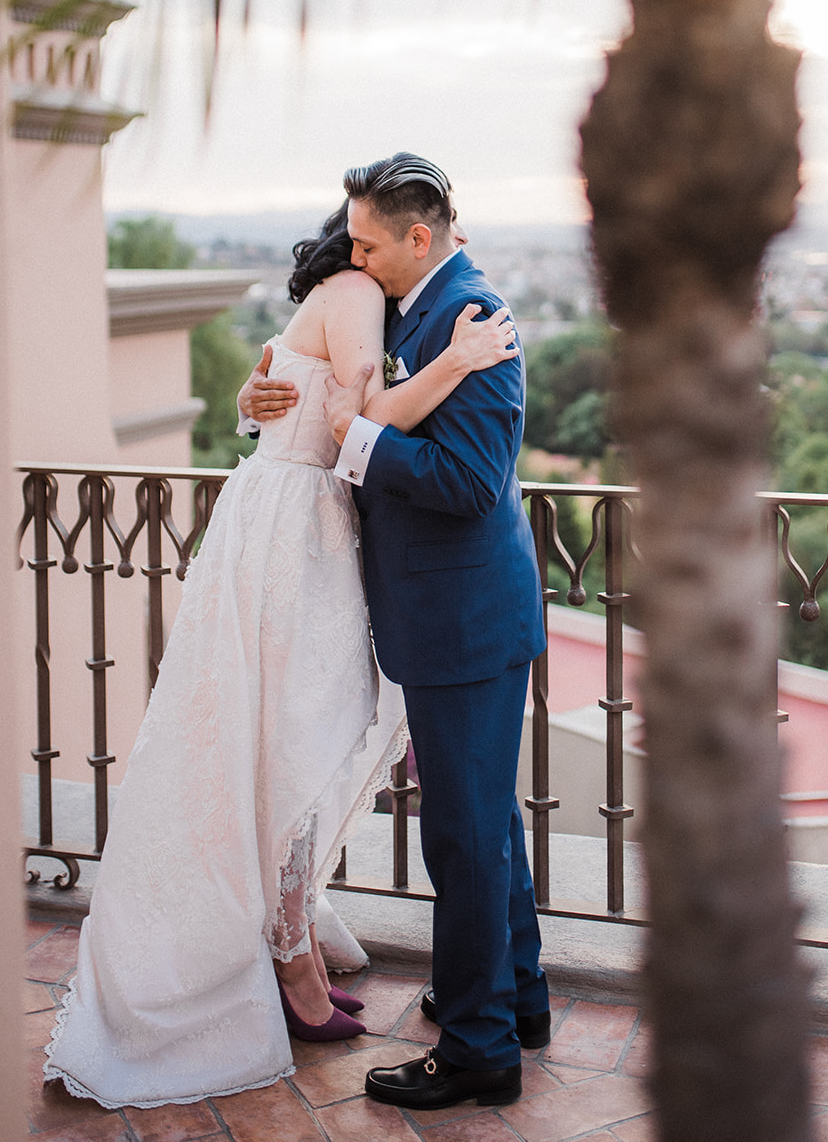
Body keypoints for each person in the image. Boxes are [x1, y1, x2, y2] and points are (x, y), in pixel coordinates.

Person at [42, 203, 514, 1111]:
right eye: (367, 240)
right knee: (287, 742)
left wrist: (261, 403)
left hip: (301, 533)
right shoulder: (354, 292)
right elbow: (358, 419)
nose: (373, 253)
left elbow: (288, 390)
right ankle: (287, 963)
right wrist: (456, 362)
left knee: (296, 740)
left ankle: (285, 931)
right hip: (295, 539)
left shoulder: (356, 296)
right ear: (359, 243)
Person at [326, 152, 552, 1109]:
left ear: (420, 238)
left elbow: (466, 485)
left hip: (466, 623)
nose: (355, 255)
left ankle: (477, 1050)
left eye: (369, 243)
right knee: (484, 823)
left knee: (460, 839)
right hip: (452, 618)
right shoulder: (415, 306)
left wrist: (359, 442)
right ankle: (517, 999)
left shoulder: (472, 321)